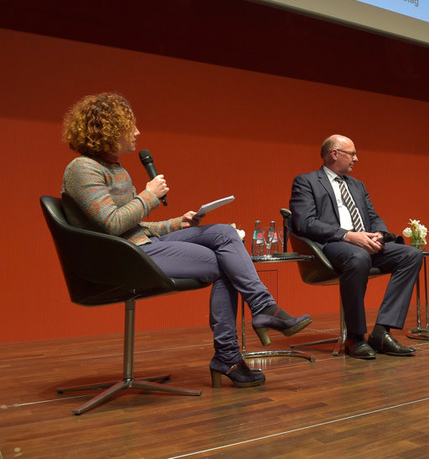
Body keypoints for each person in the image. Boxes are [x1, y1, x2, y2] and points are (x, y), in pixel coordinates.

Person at [60, 93, 311, 389]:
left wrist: (177, 222)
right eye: (130, 125)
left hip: (138, 245)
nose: (137, 132)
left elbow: (134, 226)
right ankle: (230, 354)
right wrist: (149, 196)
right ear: (108, 129)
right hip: (119, 259)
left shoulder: (117, 170)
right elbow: (113, 224)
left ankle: (262, 309)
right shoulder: (83, 169)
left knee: (225, 234)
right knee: (226, 263)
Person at [290, 134, 423, 359]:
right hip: (334, 245)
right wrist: (349, 236)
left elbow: (373, 216)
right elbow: (305, 222)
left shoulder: (358, 185)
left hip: (365, 241)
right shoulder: (307, 182)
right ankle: (355, 337)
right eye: (351, 154)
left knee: (412, 254)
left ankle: (382, 331)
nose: (356, 159)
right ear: (334, 154)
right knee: (358, 257)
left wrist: (379, 235)